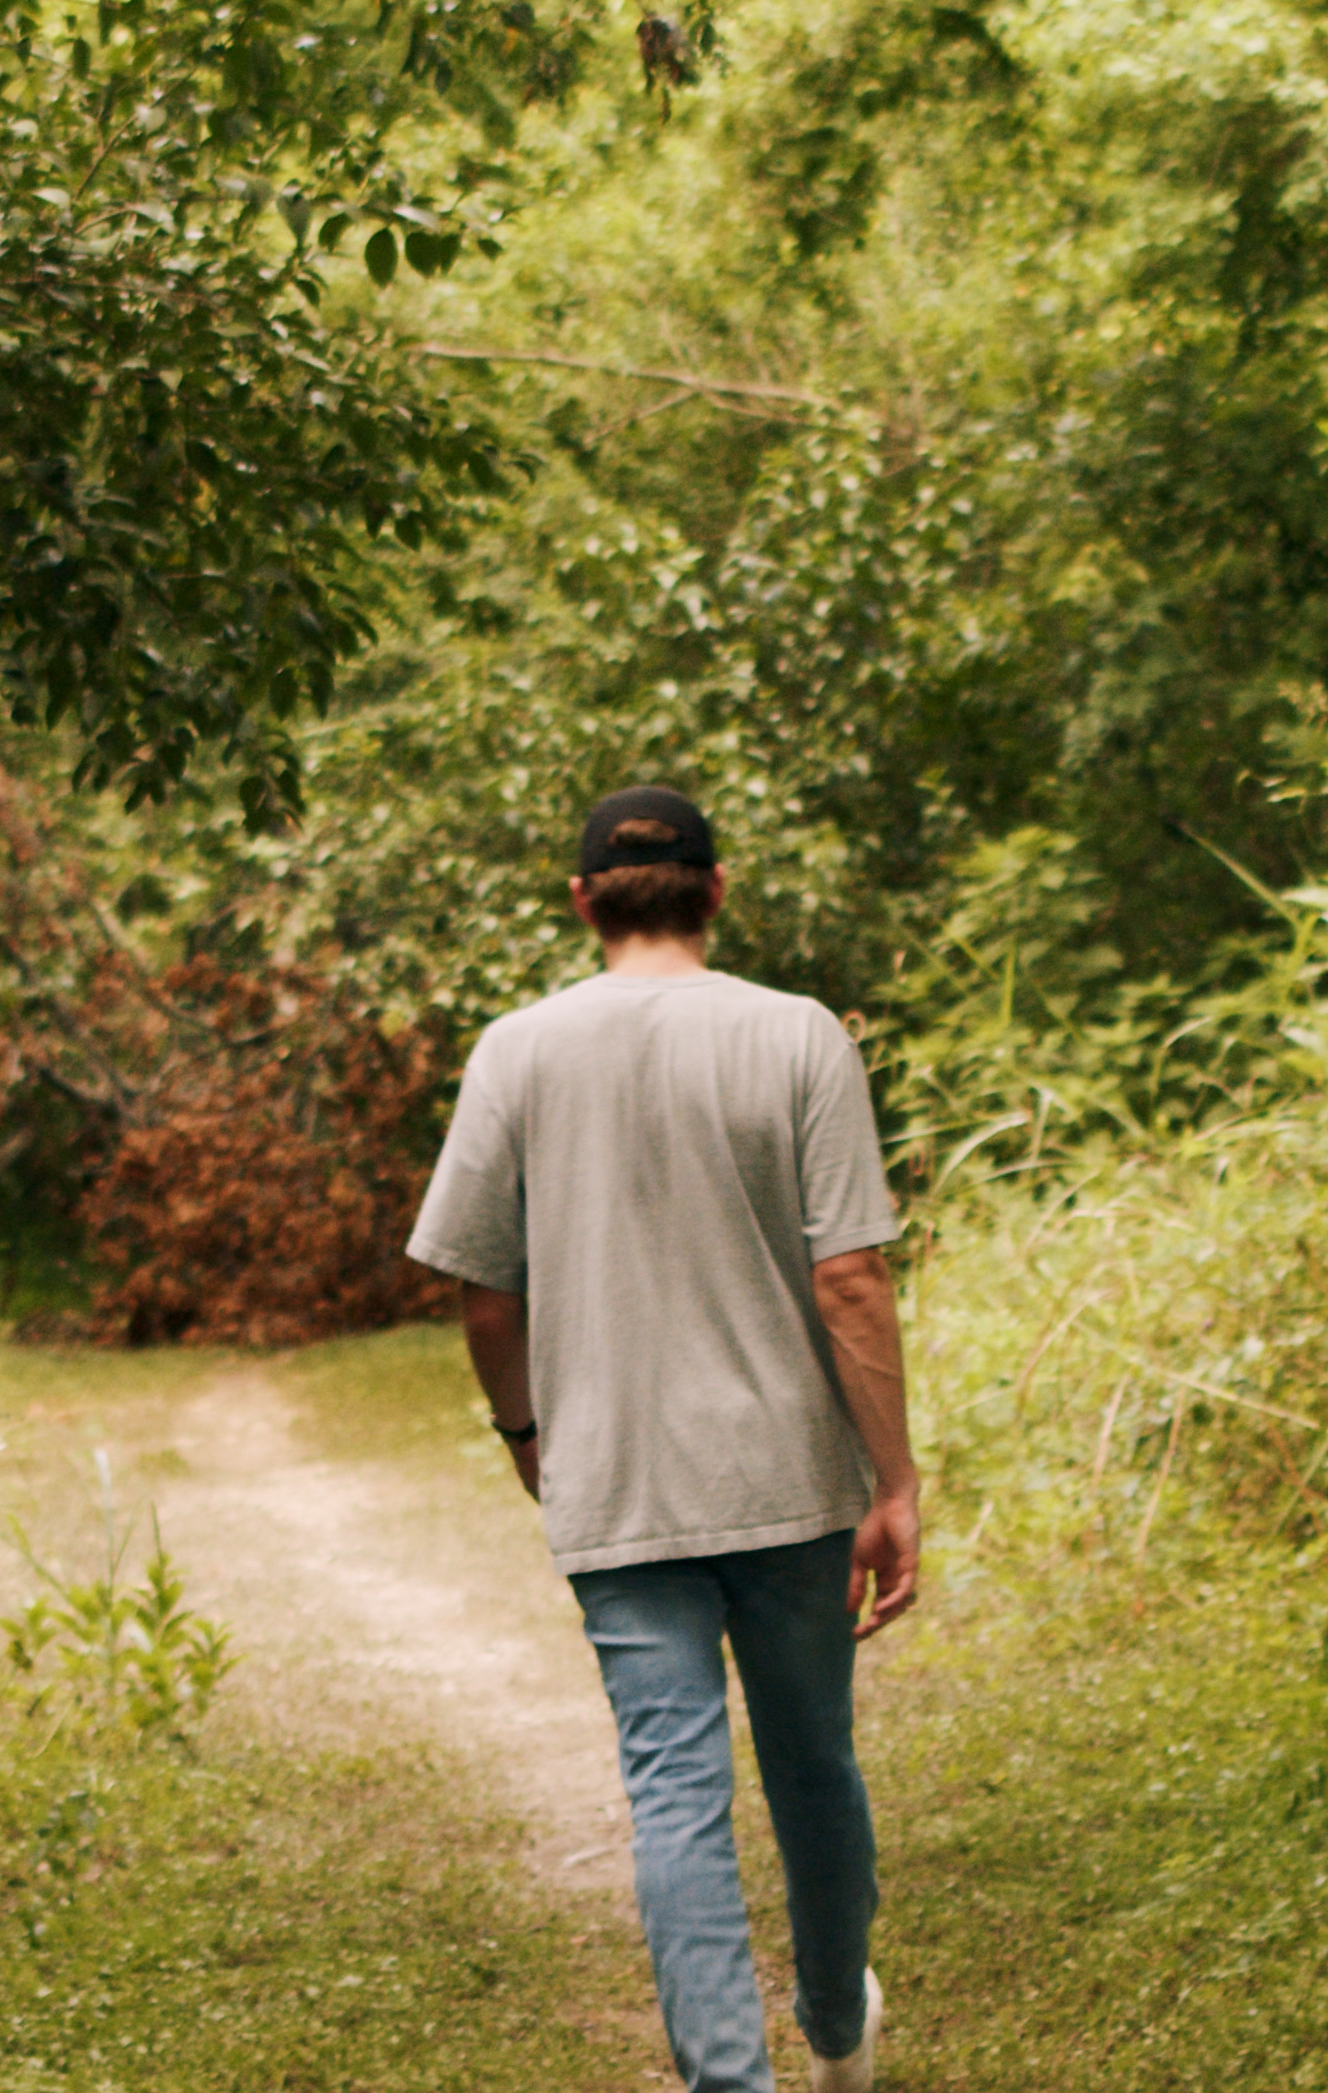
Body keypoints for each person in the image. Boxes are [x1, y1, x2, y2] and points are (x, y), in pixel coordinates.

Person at [406, 785, 923, 2093]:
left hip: (620, 1490)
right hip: (792, 1481)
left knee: (674, 1795)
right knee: (814, 1763)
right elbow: (850, 1276)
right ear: (718, 889)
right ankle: (836, 2026)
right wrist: (896, 1478)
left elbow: (483, 1290)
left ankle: (730, 2085)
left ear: (583, 900)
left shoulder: (518, 1050)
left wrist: (527, 1430)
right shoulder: (799, 1036)